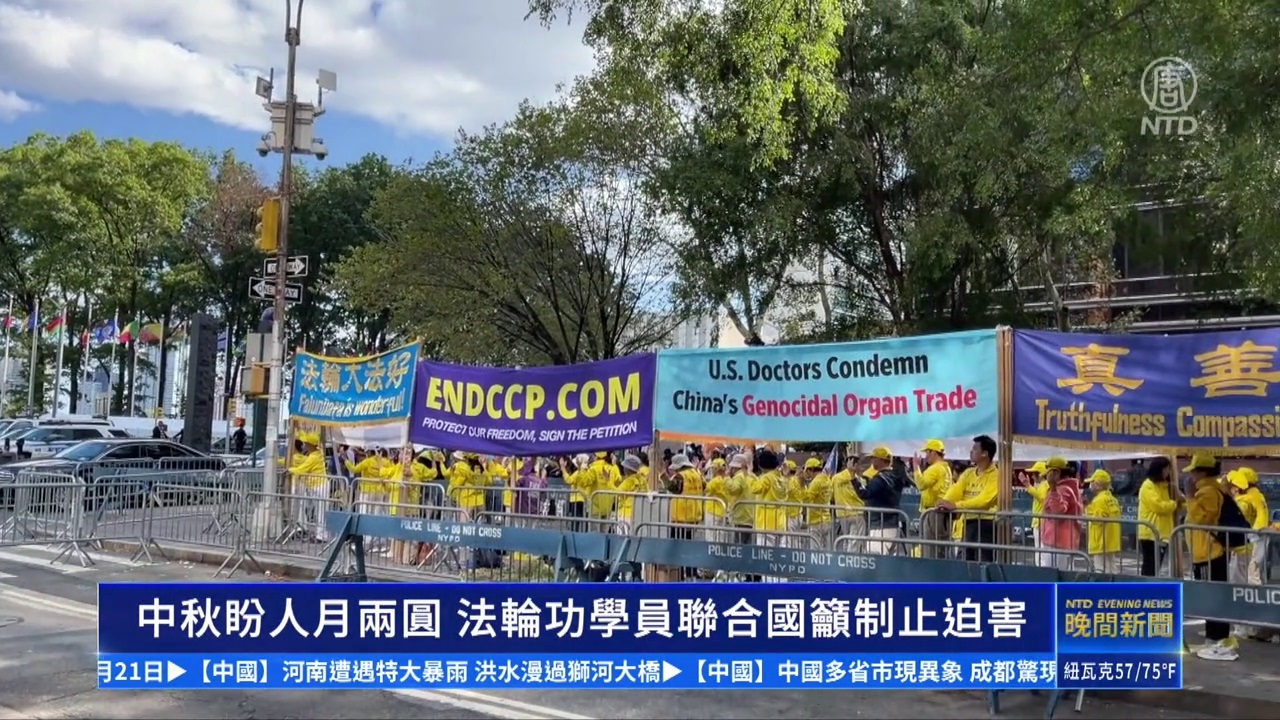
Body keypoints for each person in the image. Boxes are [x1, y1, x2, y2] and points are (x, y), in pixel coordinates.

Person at [1182, 453, 1235, 661]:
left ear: (1202, 472)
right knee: (1213, 595)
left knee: (1210, 597)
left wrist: (1189, 497)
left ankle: (1217, 641)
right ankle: (1217, 640)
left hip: (1208, 552)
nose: (1191, 476)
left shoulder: (1208, 491)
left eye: (1194, 471)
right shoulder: (1211, 489)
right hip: (1208, 551)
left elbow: (1202, 519)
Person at [936, 435, 999, 562]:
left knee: (983, 562)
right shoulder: (968, 473)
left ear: (985, 454)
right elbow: (955, 491)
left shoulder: (996, 475)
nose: (971, 451)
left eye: (975, 449)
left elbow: (984, 501)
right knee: (964, 561)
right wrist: (944, 503)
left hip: (988, 524)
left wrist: (956, 505)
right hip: (969, 522)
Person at [856, 446, 905, 554]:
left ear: (881, 460)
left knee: (875, 559)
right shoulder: (897, 476)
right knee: (890, 561)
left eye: (874, 458)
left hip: (880, 526)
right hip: (894, 525)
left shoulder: (880, 479)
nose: (872, 461)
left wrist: (853, 478)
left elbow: (865, 493)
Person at [1137, 457, 1179, 577]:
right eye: (1166, 469)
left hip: (1162, 533)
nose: (1168, 472)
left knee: (1155, 567)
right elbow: (1158, 506)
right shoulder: (1148, 486)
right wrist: (1174, 503)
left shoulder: (1164, 485)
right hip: (1150, 533)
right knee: (1150, 567)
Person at [914, 439, 954, 559]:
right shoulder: (946, 468)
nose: (925, 456)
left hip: (933, 513)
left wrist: (916, 467)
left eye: (927, 452)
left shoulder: (935, 468)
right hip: (942, 512)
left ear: (933, 452)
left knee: (930, 550)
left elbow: (921, 484)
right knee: (940, 549)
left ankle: (931, 570)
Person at [1040, 457, 1082, 570]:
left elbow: (1058, 510)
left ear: (1056, 472)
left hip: (1058, 541)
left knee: (1054, 574)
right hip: (1060, 541)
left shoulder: (1064, 489)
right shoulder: (1069, 488)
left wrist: (1053, 489)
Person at [288, 431, 329, 541]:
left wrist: (289, 470)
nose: (305, 445)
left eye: (306, 443)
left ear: (310, 445)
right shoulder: (316, 453)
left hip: (319, 486)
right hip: (316, 486)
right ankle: (320, 534)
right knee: (318, 511)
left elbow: (301, 469)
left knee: (320, 512)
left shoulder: (313, 457)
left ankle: (322, 536)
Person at [1085, 469, 1121, 574]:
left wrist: (1087, 510)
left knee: (1100, 569)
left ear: (1098, 485)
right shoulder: (1113, 499)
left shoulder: (1098, 500)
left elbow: (1097, 520)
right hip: (1111, 541)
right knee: (1112, 569)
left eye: (1092, 482)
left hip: (1100, 541)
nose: (1090, 485)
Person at [1020, 461, 1050, 566]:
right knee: (1039, 549)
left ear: (1040, 474)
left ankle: (1041, 568)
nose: (1032, 476)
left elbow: (1041, 497)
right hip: (1039, 521)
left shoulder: (1045, 485)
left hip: (1040, 522)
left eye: (1034, 473)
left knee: (1040, 549)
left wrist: (1028, 486)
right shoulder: (1042, 485)